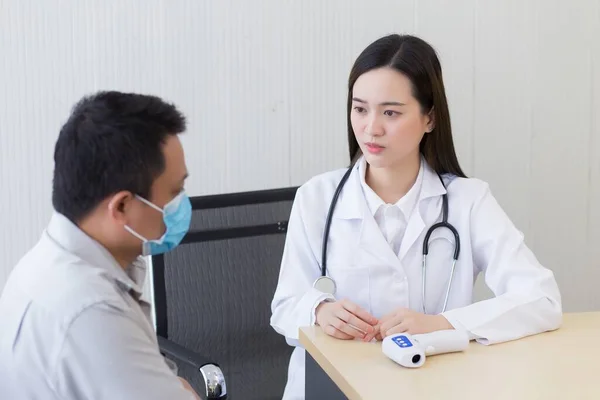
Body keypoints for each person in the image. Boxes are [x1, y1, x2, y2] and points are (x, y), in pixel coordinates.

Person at [270, 34, 562, 399]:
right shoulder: (317, 197)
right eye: (360, 109)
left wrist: (442, 324)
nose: (371, 128)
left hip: (432, 387)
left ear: (430, 118)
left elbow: (541, 300)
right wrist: (318, 310)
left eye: (390, 112)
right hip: (330, 389)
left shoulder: (467, 201)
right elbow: (283, 307)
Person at [0, 91, 202, 399]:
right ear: (121, 207)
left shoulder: (42, 266)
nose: (180, 205)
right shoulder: (92, 312)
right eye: (175, 192)